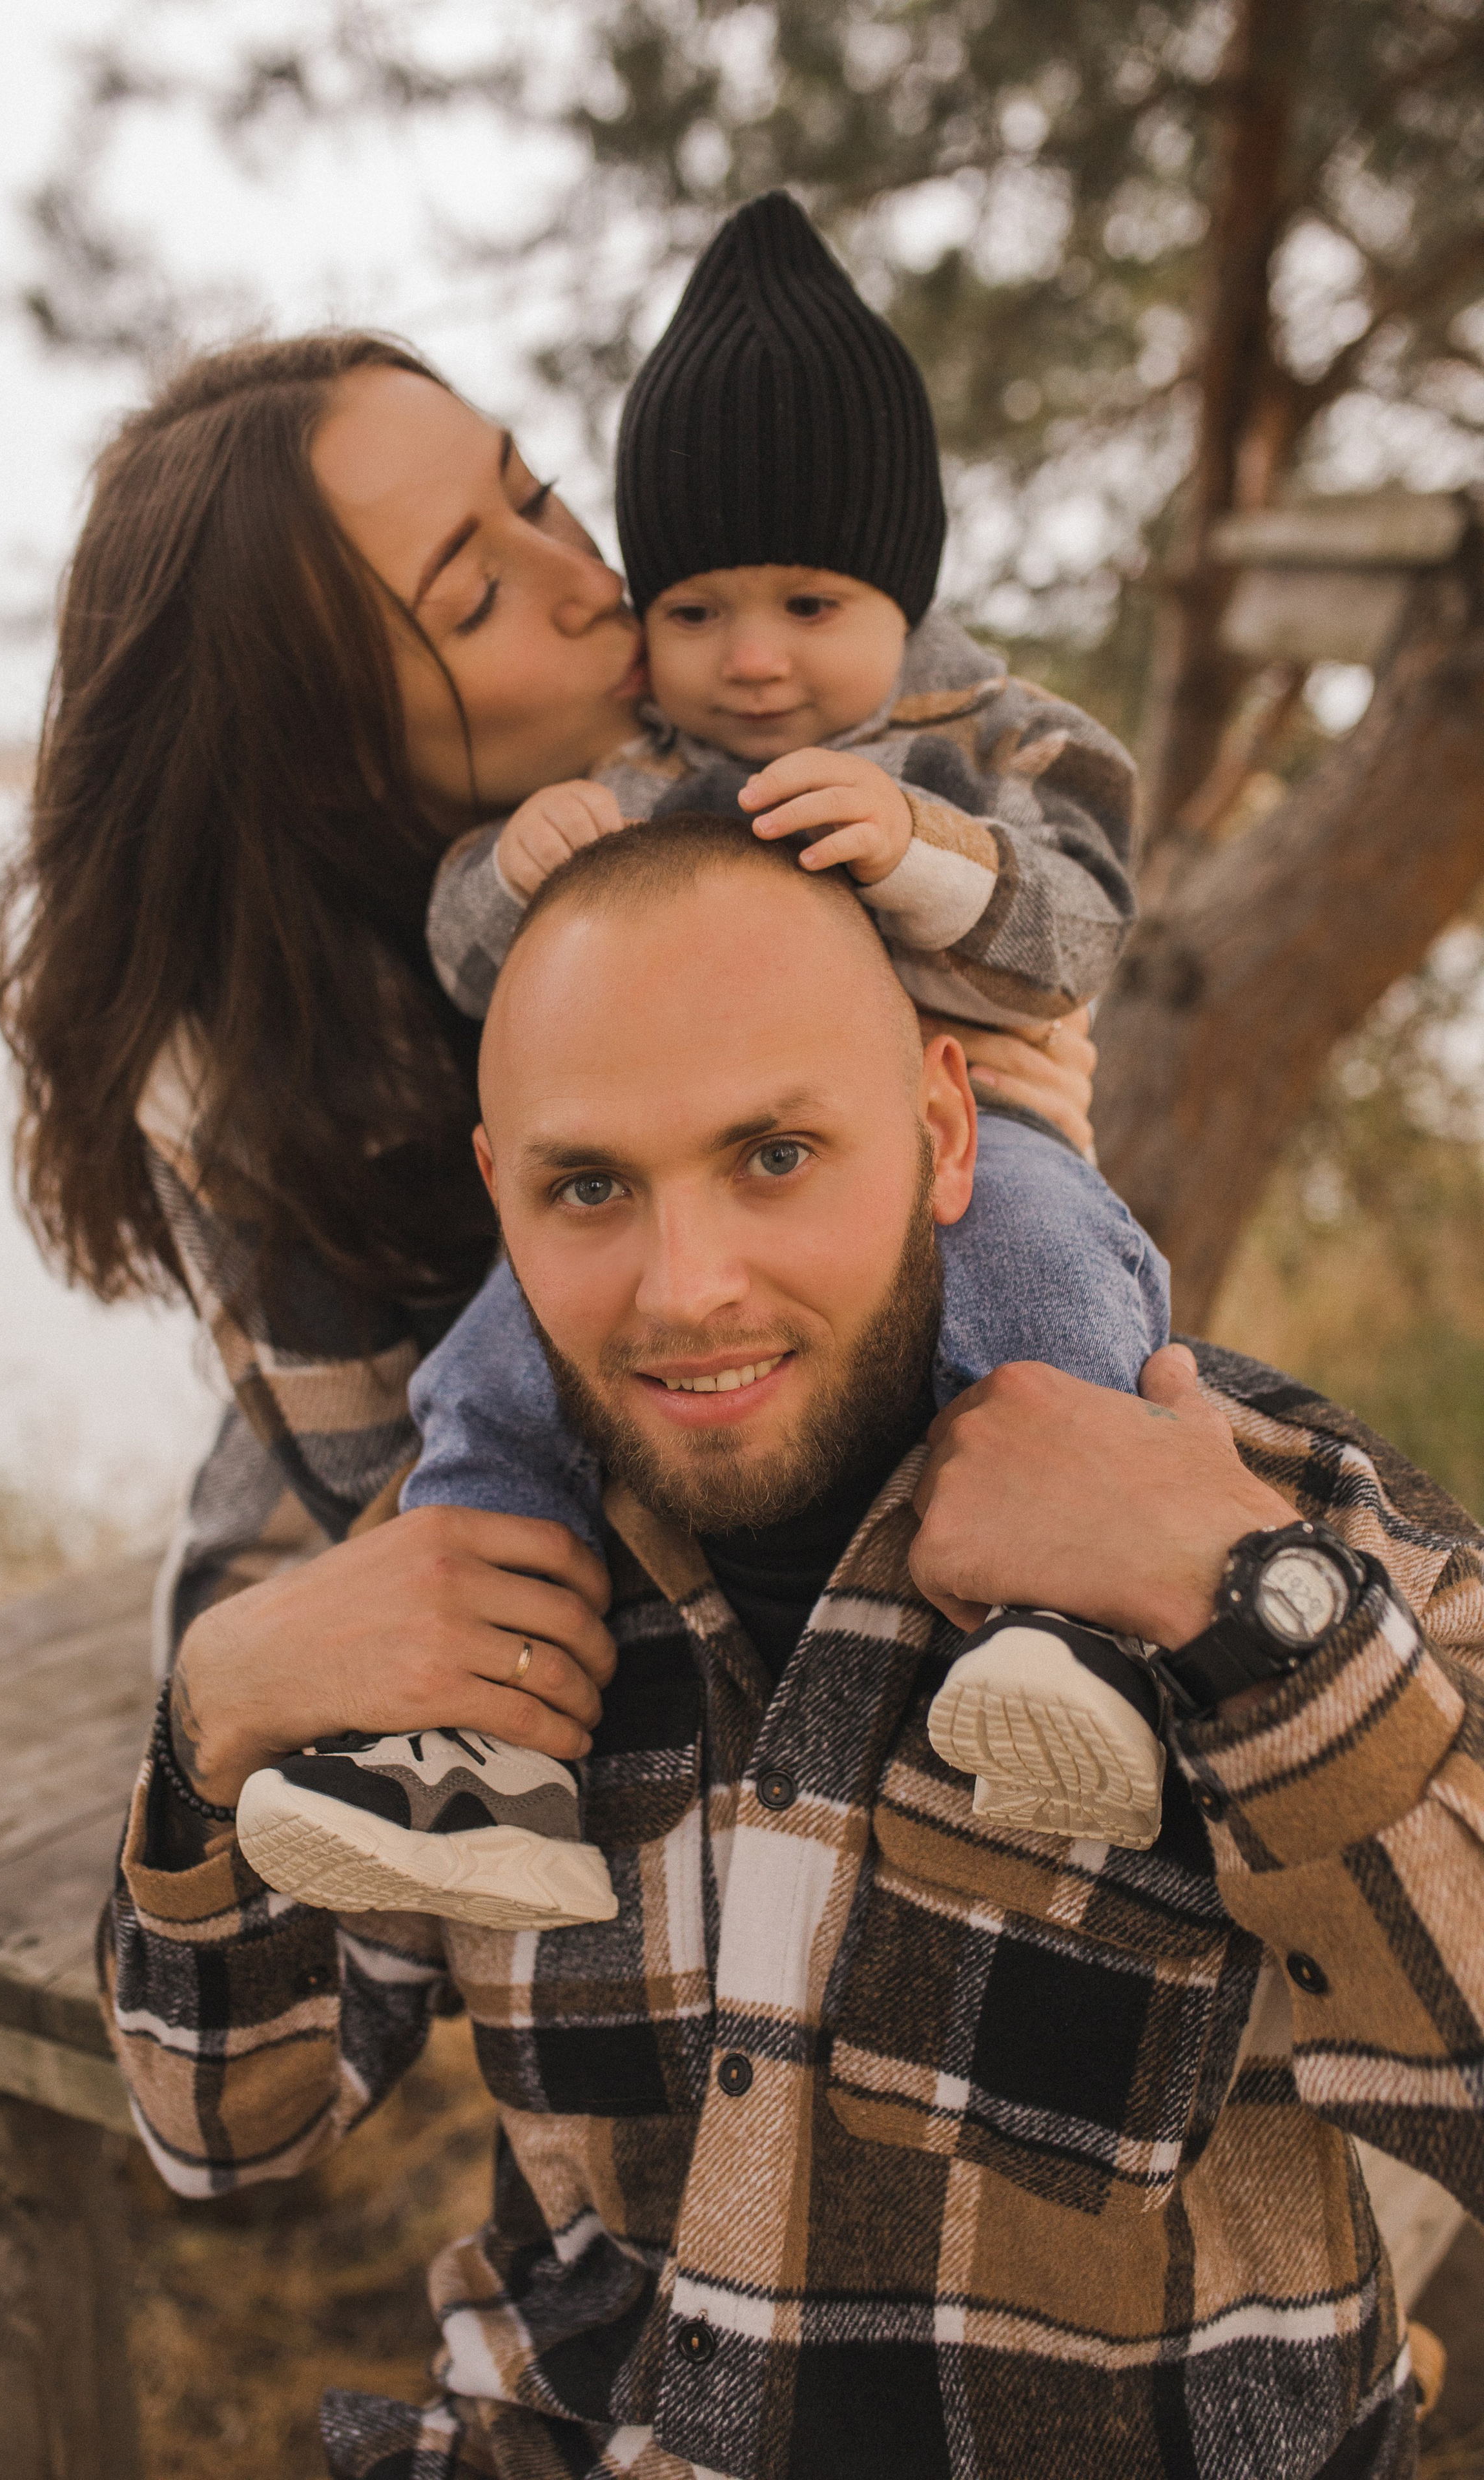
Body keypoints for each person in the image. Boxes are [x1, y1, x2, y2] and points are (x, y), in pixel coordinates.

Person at [106, 812, 1484, 2480]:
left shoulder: (1256, 1509)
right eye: (591, 1186)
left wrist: (1253, 1632)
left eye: (774, 1156)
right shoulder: (461, 1563)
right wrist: (210, 1724)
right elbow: (220, 2122)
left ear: (944, 1131)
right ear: (504, 1196)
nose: (687, 1291)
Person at [231, 194, 1169, 1929]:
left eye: (812, 602)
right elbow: (483, 969)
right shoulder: (641, 761)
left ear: (905, 586)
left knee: (1050, 1273)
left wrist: (919, 855)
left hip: (982, 1137)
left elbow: (1087, 922)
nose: (753, 660)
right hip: (708, 1181)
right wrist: (513, 876)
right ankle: (478, 1753)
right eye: (698, 609)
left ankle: (1081, 1633)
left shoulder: (986, 738)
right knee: (493, 1374)